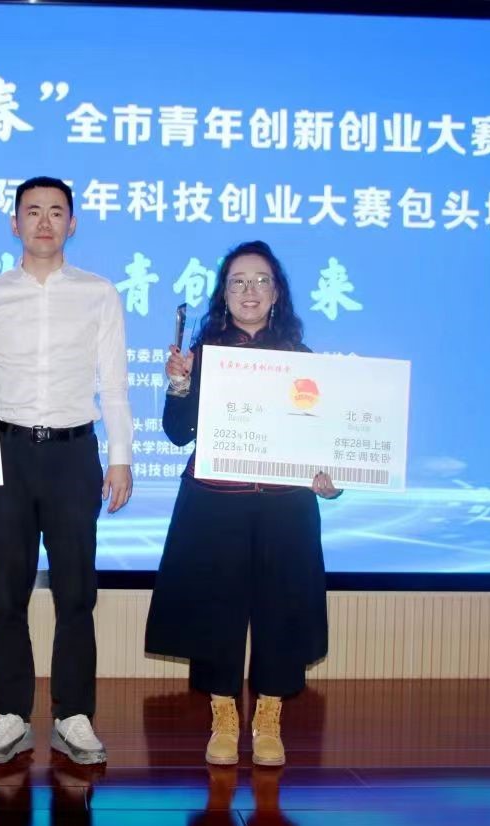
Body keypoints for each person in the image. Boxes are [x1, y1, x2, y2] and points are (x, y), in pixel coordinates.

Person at [0, 176, 134, 765]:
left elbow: (114, 383)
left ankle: (73, 715)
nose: (44, 222)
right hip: (5, 453)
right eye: (32, 211)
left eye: (57, 212)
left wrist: (121, 457)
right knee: (5, 593)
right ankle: (10, 714)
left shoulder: (98, 293)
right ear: (14, 223)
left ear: (72, 223)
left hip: (73, 454)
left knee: (76, 591)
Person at [144, 240, 341, 767]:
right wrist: (180, 385)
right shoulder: (205, 355)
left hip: (285, 507)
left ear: (277, 294)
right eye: (238, 282)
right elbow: (178, 433)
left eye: (260, 281)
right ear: (224, 295)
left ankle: (269, 715)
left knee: (282, 610)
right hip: (215, 503)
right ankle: (224, 715)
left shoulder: (302, 361)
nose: (249, 291)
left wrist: (332, 481)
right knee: (216, 611)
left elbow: (326, 442)